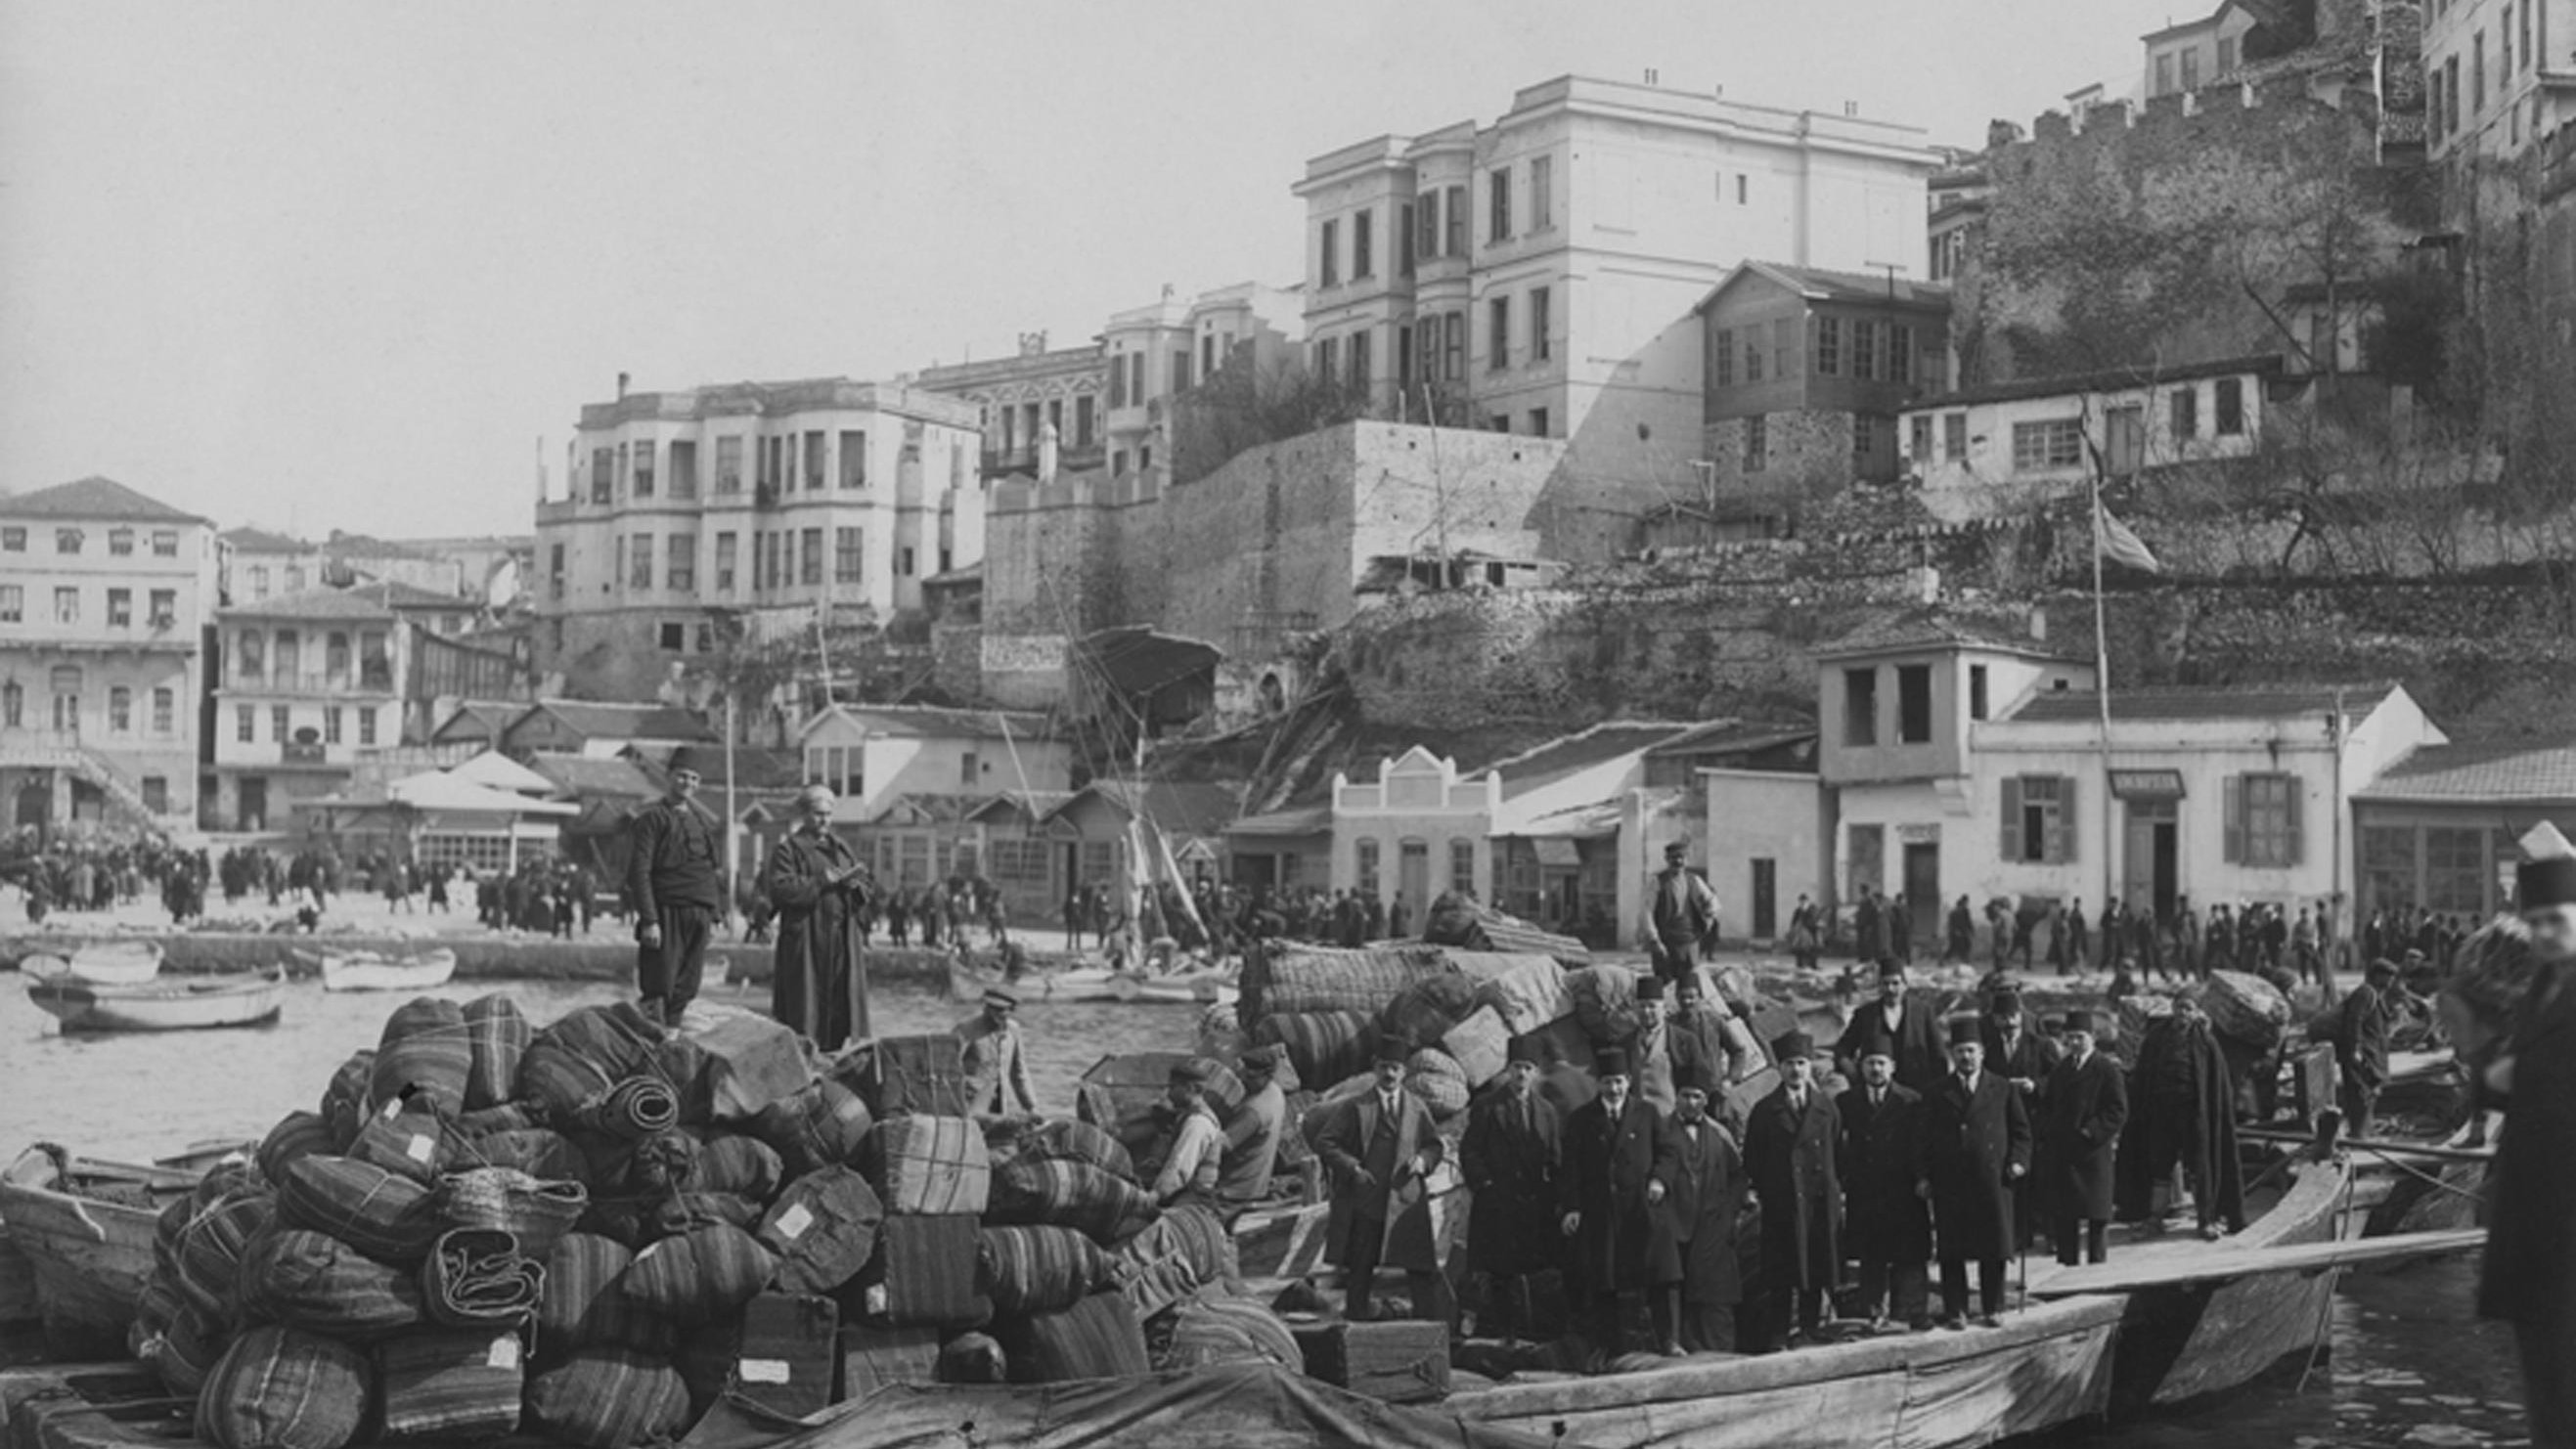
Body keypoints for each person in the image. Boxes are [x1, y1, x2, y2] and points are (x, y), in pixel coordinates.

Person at [2482, 844, 2576, 1447]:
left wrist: (2518, 1077)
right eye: (2535, 923)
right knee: (2545, 1393)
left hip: (2570, 1235)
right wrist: (2494, 1078)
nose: (2543, 933)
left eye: (2557, 921)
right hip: (2532, 1232)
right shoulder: (2541, 987)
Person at [1315, 1044, 1449, 1325]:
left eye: (1395, 1068)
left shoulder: (1416, 1107)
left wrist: (1423, 1161)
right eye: (1384, 1067)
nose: (1389, 1074)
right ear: (1375, 1068)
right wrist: (1352, 1167)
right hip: (1367, 1201)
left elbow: (1434, 1145)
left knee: (1419, 1266)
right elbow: (1326, 1142)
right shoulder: (1355, 1106)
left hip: (1405, 1202)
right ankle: (1356, 1325)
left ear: (1404, 1072)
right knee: (1360, 1268)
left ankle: (1427, 1328)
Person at [1559, 1047, 1670, 1360]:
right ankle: (1607, 1347)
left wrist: (1659, 1179)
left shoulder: (1647, 1114)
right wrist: (1572, 1207)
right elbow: (1570, 1169)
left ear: (1629, 1082)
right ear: (1599, 1084)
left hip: (1638, 1210)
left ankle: (1654, 1344)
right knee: (1603, 1282)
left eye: (1620, 1081)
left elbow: (1667, 1153)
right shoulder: (1582, 1120)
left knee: (1645, 1277)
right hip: (1600, 1213)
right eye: (1608, 1082)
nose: (1614, 1088)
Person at [1926, 1015, 2030, 1329]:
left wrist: (2018, 1162)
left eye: (1971, 1051)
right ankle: (1956, 1309)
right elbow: (1923, 1138)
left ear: (1982, 1053)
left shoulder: (2001, 1089)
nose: (1965, 1057)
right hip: (1951, 1182)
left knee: (1993, 1247)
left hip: (1993, 1179)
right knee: (1952, 1250)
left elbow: (2022, 1133)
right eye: (1959, 1051)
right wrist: (1925, 1175)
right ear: (1951, 1055)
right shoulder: (1937, 1092)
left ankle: (1992, 1307)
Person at [2116, 996, 2243, 1239]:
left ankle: (2205, 1220)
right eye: (2179, 1008)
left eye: (2188, 1008)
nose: (2182, 1013)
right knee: (2159, 1167)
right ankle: (2154, 1219)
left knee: (2199, 1167)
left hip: (2194, 1116)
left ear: (2196, 1012)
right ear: (2172, 1010)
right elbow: (2143, 1074)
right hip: (2161, 1115)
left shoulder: (2206, 1042)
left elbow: (2217, 1084)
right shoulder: (2156, 1039)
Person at [1745, 1031, 1841, 1348]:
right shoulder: (1764, 1111)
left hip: (1816, 1202)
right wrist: (1764, 1191)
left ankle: (1810, 1329)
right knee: (1781, 1272)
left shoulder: (1826, 1109)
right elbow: (1753, 1158)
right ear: (1779, 1068)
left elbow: (1838, 1153)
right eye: (1788, 1064)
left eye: (1801, 1063)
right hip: (1782, 1203)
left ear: (1810, 1066)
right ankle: (1778, 1333)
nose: (1795, 1070)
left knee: (1813, 1266)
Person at [763, 784, 873, 1051]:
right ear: (803, 813)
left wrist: (856, 887)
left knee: (839, 1000)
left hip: (840, 938)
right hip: (808, 937)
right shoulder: (788, 850)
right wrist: (821, 881)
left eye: (828, 814)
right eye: (817, 813)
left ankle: (833, 1055)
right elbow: (781, 890)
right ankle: (805, 1059)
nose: (824, 820)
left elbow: (866, 888)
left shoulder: (842, 848)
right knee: (805, 1003)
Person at [1461, 1053, 1562, 1343]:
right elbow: (1470, 1151)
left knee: (1532, 1268)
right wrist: (1485, 1184)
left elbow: (1555, 1158)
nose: (1522, 1074)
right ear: (1507, 1070)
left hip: (1533, 1202)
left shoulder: (1546, 1111)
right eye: (1517, 1067)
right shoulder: (1488, 1106)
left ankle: (1533, 1329)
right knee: (1499, 1270)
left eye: (1528, 1068)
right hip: (1498, 1201)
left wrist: (1555, 1197)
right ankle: (1505, 1332)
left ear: (1536, 1073)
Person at [626, 751, 725, 1029]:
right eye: (682, 775)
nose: (687, 782)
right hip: (667, 912)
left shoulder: (700, 822)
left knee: (688, 986)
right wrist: (650, 920)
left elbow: (708, 871)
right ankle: (653, 1042)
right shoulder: (652, 820)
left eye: (694, 778)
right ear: (668, 776)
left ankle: (672, 1037)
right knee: (661, 986)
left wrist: (714, 916)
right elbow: (639, 871)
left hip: (699, 913)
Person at [1838, 1045, 1932, 1332]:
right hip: (1866, 1189)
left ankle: (1912, 1311)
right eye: (1869, 1063)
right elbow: (1839, 1145)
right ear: (1861, 1067)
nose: (1875, 1069)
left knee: (1911, 1253)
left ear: (1892, 1066)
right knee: (1871, 1254)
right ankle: (1874, 1312)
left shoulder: (1911, 1101)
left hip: (1904, 1188)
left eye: (1881, 1063)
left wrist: (1923, 1178)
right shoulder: (1846, 1102)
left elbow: (1922, 1144)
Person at [1648, 1083, 1746, 1354]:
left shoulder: (1719, 1134)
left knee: (1715, 1293)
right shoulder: (1660, 1129)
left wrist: (1729, 1212)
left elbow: (1738, 1175)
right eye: (1685, 1096)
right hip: (1671, 1222)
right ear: (1676, 1098)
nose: (1691, 1103)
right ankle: (1674, 1343)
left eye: (1698, 1097)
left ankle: (1720, 1352)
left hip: (1712, 1224)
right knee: (1672, 1288)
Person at [2040, 1011, 2127, 1267]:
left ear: (2092, 1038)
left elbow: (2118, 1109)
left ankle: (2096, 1269)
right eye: (2070, 1038)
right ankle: (2067, 1267)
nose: (2075, 1043)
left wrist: (2091, 1131)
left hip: (2093, 1153)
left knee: (2096, 1217)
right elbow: (2049, 1105)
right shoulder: (2062, 1070)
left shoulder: (2106, 1069)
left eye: (2080, 1037)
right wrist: (2050, 1132)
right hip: (2064, 1152)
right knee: (2065, 1215)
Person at [1980, 988, 2060, 1251]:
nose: (2008, 1023)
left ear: (2021, 1016)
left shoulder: (2041, 1045)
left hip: (2038, 1121)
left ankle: (2052, 1236)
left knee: (2045, 1181)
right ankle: (2019, 1237)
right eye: (2002, 1018)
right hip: (2007, 1122)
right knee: (2016, 1180)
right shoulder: (1990, 1050)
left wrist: (2036, 1085)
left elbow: (2059, 1079)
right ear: (1994, 1021)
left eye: (2012, 1016)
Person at [1836, 959, 1945, 1094]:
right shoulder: (1865, 1014)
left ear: (1905, 985)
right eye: (1885, 984)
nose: (1890, 989)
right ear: (1879, 986)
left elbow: (1938, 1052)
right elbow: (1843, 1048)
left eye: (1895, 983)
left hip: (1916, 1089)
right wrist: (1849, 1067)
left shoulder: (1922, 1012)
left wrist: (1939, 1090)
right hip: (1876, 1091)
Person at [1217, 1045, 1288, 1219]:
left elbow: (1222, 1146)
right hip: (1255, 1183)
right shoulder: (1275, 1091)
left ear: (1268, 1075)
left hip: (1235, 1190)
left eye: (1251, 1077)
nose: (1243, 1080)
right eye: (1243, 1074)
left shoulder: (1254, 1110)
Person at [1665, 974, 1755, 1107]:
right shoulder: (1670, 1026)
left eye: (1691, 997)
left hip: (1713, 1092)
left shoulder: (1713, 1021)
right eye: (1682, 997)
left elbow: (1738, 1051)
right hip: (1681, 1093)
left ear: (1699, 998)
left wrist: (1730, 1079)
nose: (1687, 1002)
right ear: (1677, 998)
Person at [1148, 1061, 1227, 1209]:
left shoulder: (1197, 1123)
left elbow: (1180, 1169)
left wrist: (1154, 1196)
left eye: (1173, 1087)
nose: (1168, 1093)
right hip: (1186, 1189)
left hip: (1195, 1196)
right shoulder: (1189, 1114)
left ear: (1189, 1088)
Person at [2335, 958, 2401, 1139]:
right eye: (2388, 976)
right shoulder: (2365, 992)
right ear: (2377, 975)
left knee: (2369, 1095)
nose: (2391, 981)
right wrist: (2355, 1049)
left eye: (2392, 977)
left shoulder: (2376, 995)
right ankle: (2359, 1135)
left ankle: (2364, 1132)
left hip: (2373, 1054)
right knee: (2360, 1096)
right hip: (2363, 1054)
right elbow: (2354, 1020)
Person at [955, 985, 1039, 1117]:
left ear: (1011, 1010)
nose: (993, 1013)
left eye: (1000, 1010)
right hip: (970, 1104)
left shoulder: (1013, 1030)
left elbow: (1018, 1073)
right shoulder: (966, 1029)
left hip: (998, 1104)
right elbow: (949, 1069)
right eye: (990, 1008)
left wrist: (1030, 1107)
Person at [1646, 842, 1720, 983]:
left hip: (1690, 940)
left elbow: (1713, 902)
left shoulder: (1694, 880)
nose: (1678, 861)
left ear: (1687, 859)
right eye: (1674, 857)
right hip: (1665, 941)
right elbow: (1647, 911)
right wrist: (1654, 939)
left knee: (1690, 982)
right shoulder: (1656, 882)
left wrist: (1708, 920)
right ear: (1667, 859)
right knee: (1664, 981)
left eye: (1681, 857)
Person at [1944, 896, 1975, 965]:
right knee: (1954, 948)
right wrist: (1955, 931)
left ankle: (1966, 961)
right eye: (1964, 903)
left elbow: (1968, 922)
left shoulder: (1965, 911)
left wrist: (1972, 931)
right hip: (1956, 933)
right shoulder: (1954, 913)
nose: (1966, 904)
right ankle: (1945, 960)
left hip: (1963, 933)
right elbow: (1951, 924)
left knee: (1965, 946)